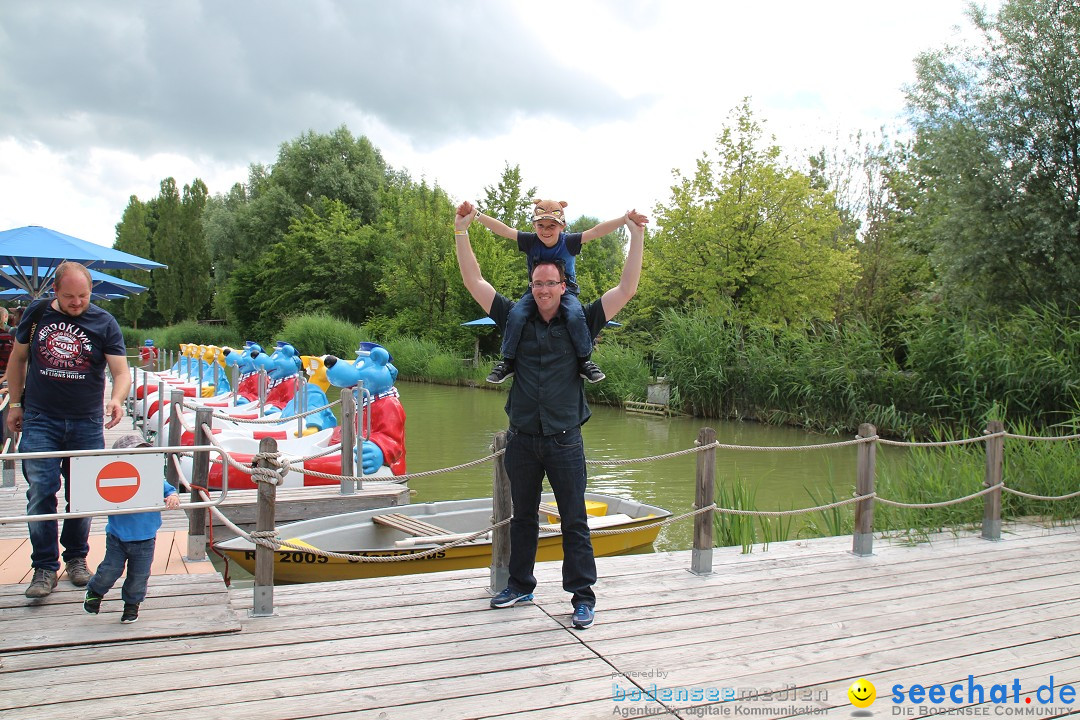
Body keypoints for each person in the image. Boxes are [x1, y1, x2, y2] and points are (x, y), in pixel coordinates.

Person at [453, 203, 646, 630]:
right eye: (537, 282)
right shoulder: (512, 318)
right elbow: (474, 280)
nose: (543, 289)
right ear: (532, 285)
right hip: (521, 438)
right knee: (522, 515)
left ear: (563, 285)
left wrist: (635, 235)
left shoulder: (585, 317)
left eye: (551, 283)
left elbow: (627, 287)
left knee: (574, 519)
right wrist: (462, 232)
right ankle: (520, 584)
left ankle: (581, 597)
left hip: (564, 440)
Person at [6, 262, 131, 599]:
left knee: (83, 495)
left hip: (86, 421)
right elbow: (17, 360)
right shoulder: (36, 314)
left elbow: (121, 371)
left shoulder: (104, 322)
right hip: (40, 418)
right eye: (69, 296)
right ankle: (44, 566)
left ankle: (76, 558)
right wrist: (15, 403)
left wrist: (118, 399)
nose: (77, 302)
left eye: (83, 296)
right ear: (54, 293)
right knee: (41, 493)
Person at [462, 199, 648, 385]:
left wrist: (624, 220)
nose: (546, 230)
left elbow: (597, 231)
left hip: (568, 292)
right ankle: (508, 361)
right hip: (531, 292)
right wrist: (476, 216)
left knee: (575, 316)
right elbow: (503, 230)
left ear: (562, 226)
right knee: (517, 315)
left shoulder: (569, 242)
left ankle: (584, 360)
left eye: (552, 225)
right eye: (540, 225)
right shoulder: (530, 241)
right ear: (534, 225)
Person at [83, 434, 180, 623]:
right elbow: (95, 492)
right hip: (117, 536)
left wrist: (173, 497)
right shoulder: (113, 476)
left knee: (139, 576)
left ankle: (131, 605)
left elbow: (169, 490)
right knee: (110, 570)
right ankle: (95, 591)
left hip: (145, 538)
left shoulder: (151, 477)